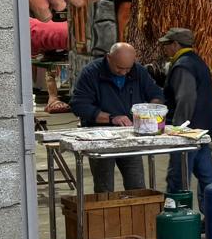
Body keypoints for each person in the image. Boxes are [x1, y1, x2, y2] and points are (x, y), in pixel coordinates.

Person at [69, 42, 163, 192]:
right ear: (109, 58)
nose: (124, 72)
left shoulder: (138, 71)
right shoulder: (91, 73)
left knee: (137, 185)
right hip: (100, 138)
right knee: (104, 188)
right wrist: (111, 118)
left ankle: (135, 208)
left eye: (128, 68)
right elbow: (79, 105)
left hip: (130, 136)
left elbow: (156, 94)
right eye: (119, 68)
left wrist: (151, 110)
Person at [158, 27, 212, 198]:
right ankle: (211, 213)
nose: (164, 48)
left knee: (179, 179)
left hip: (188, 134)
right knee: (207, 180)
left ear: (175, 44)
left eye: (166, 44)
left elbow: (186, 98)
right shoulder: (198, 62)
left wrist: (179, 129)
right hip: (202, 130)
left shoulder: (183, 65)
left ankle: (177, 212)